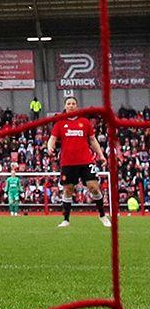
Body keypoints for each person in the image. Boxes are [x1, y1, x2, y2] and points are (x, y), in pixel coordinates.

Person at [46, 94, 111, 229]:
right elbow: (52, 138)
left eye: (73, 103)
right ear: (65, 106)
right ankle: (66, 219)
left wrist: (101, 155)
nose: (71, 106)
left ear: (77, 106)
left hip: (86, 161)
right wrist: (49, 147)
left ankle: (102, 215)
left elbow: (92, 140)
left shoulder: (84, 122)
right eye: (68, 103)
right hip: (68, 162)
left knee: (93, 186)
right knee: (68, 189)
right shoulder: (60, 122)